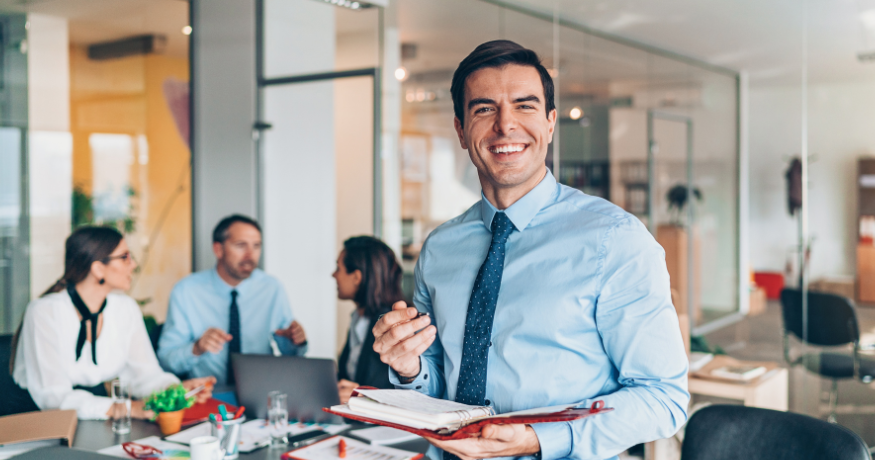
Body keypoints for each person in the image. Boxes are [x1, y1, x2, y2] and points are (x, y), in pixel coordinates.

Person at [372, 40, 689, 460]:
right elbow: (438, 385)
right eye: (484, 109)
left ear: (551, 122)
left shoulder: (616, 240)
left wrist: (539, 439)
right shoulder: (439, 248)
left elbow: (662, 398)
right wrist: (408, 368)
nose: (506, 126)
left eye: (524, 106)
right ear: (461, 130)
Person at [11, 226, 214, 420]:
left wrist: (175, 390)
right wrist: (126, 408)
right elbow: (53, 397)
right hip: (38, 421)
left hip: (97, 416)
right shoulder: (44, 312)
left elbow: (144, 375)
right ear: (98, 268)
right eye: (125, 257)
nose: (133, 264)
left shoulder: (125, 308)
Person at [158, 215, 307, 385]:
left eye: (256, 246)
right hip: (208, 396)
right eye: (241, 245)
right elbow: (166, 360)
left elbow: (293, 356)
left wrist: (295, 342)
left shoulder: (272, 288)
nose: (250, 255)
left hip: (261, 391)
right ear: (218, 250)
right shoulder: (186, 291)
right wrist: (196, 348)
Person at [333, 236, 404, 403]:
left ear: (357, 277)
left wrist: (364, 397)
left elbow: (400, 393)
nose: (333, 275)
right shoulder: (357, 319)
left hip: (380, 426)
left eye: (338, 268)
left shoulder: (393, 326)